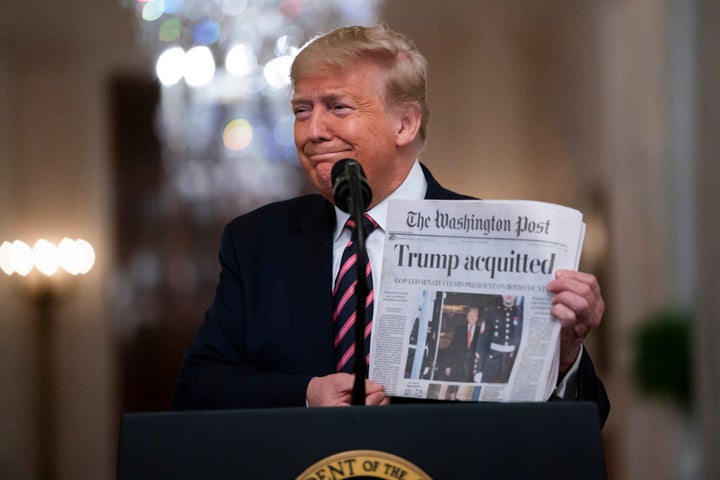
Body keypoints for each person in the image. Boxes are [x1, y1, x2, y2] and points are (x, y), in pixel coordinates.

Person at [172, 24, 610, 425]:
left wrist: (565, 352)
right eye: (302, 110)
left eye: (337, 107)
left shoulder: (492, 238)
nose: (313, 131)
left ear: (405, 123)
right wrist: (305, 394)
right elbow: (196, 388)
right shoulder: (256, 242)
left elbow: (579, 423)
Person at [473, 295, 523, 384]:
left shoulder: (520, 314)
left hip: (512, 362)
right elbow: (482, 343)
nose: (509, 295)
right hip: (493, 362)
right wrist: (478, 370)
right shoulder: (492, 313)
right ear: (501, 294)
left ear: (516, 295)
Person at [443, 306, 484, 382]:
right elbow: (452, 347)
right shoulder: (459, 329)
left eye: (474, 315)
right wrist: (448, 366)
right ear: (467, 317)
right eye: (470, 315)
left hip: (472, 370)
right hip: (457, 367)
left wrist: (481, 370)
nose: (472, 317)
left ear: (477, 317)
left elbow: (483, 351)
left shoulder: (481, 332)